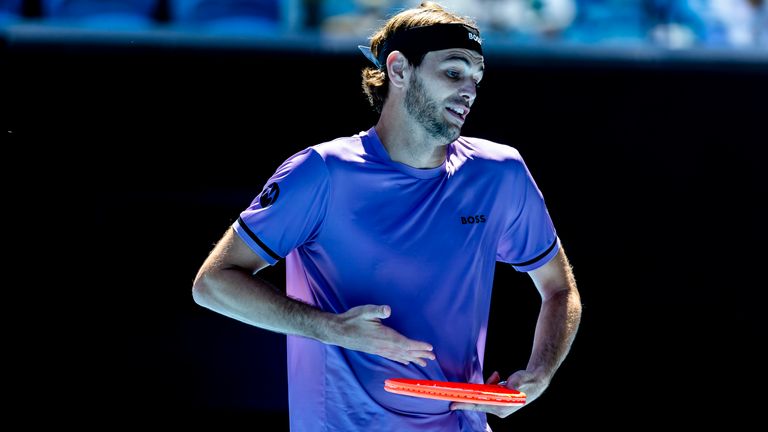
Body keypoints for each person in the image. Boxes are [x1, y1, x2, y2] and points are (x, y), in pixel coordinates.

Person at [192, 2, 582, 431]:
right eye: (453, 72)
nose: (469, 89)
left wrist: (540, 374)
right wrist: (333, 328)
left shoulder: (501, 172)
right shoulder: (320, 171)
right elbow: (213, 283)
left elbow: (559, 289)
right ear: (398, 70)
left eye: (476, 78)